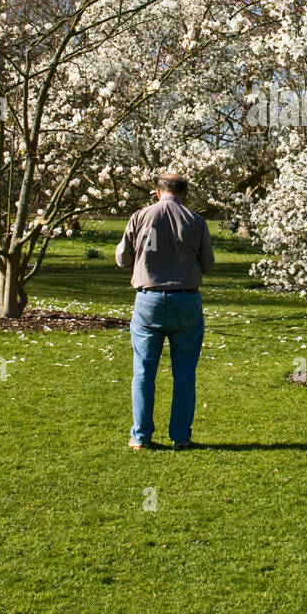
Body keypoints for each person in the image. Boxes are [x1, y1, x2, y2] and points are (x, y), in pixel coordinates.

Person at [115, 173, 215, 450]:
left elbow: (123, 258)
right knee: (184, 372)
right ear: (185, 194)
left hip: (149, 300)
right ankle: (181, 437)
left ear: (158, 192)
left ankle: (141, 437)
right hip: (186, 300)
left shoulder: (140, 216)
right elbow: (207, 263)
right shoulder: (196, 221)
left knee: (144, 371)